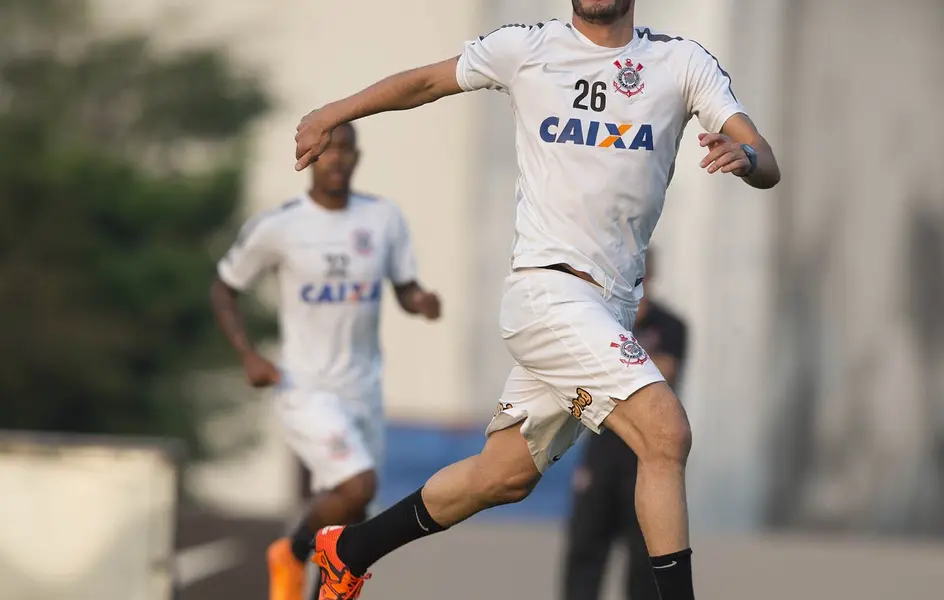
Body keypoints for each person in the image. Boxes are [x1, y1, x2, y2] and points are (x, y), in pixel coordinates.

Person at [291, 1, 780, 599]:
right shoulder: (526, 47)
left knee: (504, 476)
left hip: (611, 310)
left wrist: (748, 159)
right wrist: (333, 112)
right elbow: (423, 82)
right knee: (665, 434)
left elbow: (765, 158)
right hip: (549, 293)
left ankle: (350, 549)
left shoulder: (681, 63)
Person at [209, 122, 442, 600]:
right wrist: (249, 356)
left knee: (354, 516)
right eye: (327, 150)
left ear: (358, 158)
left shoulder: (383, 219)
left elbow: (403, 285)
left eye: (346, 150)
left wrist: (420, 299)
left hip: (364, 386)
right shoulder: (281, 225)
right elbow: (224, 288)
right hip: (304, 386)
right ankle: (292, 552)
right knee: (356, 486)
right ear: (311, 158)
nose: (337, 159)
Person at [563, 247, 688, 600]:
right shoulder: (602, 319)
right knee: (584, 551)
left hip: (645, 457)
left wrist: (612, 363)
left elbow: (666, 372)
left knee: (645, 562)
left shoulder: (671, 325)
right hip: (601, 450)